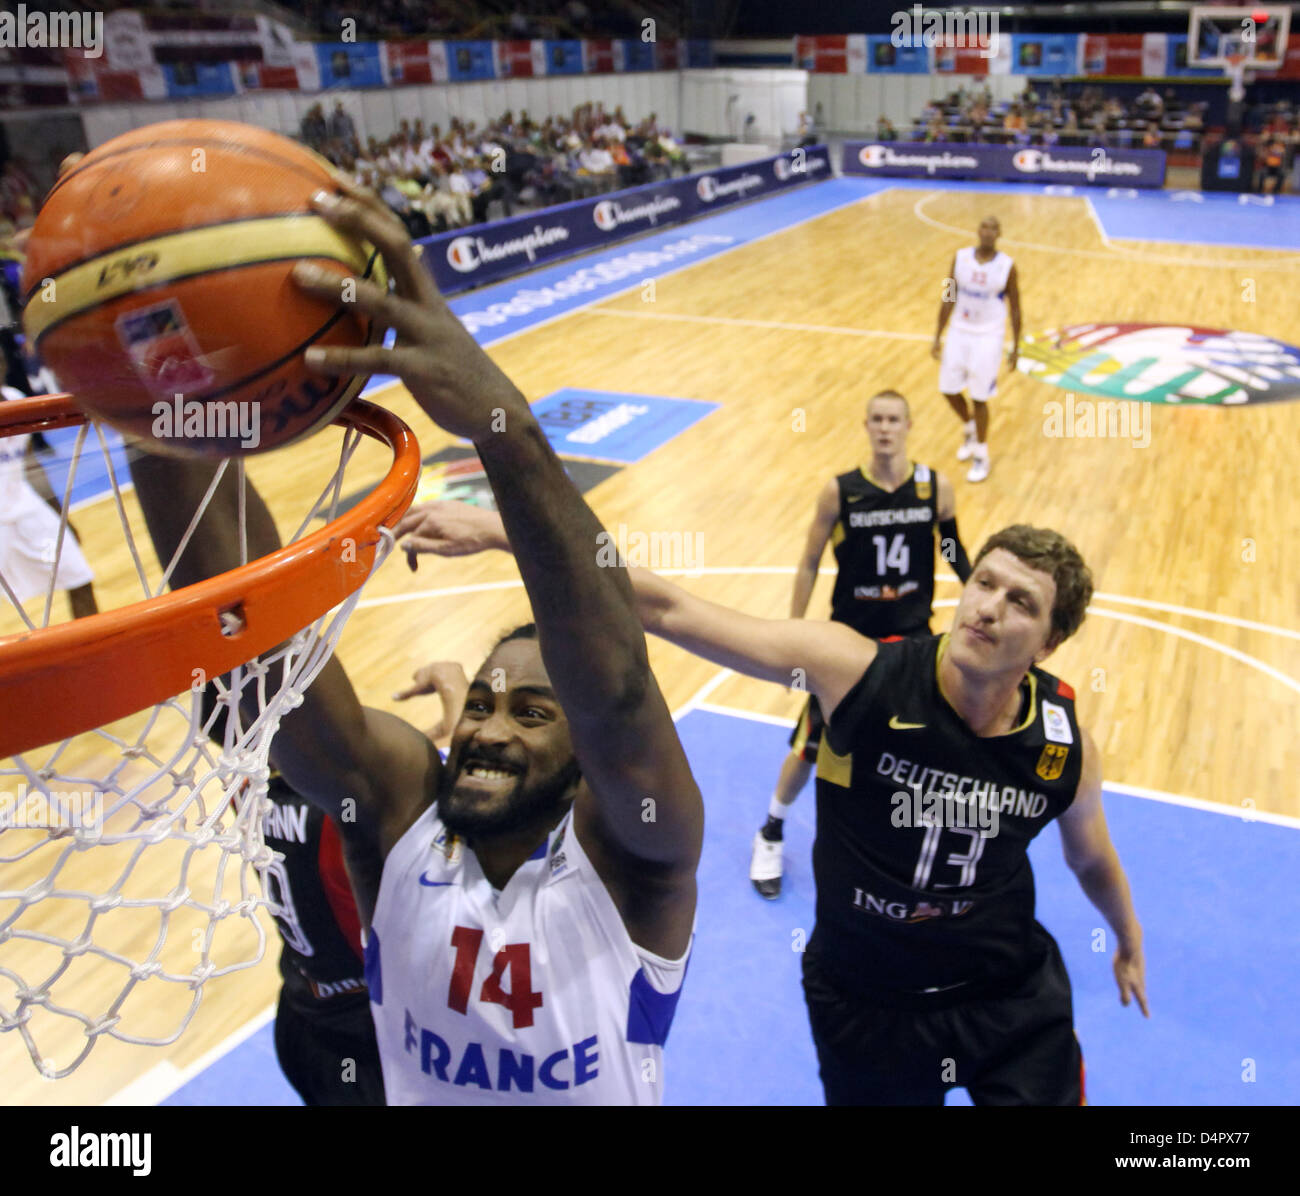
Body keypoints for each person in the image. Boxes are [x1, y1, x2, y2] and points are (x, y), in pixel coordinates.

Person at [126, 177, 704, 1106]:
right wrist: (162, 409)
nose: (486, 726)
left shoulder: (635, 865)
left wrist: (499, 425)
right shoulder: (398, 819)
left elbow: (622, 692)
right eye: (480, 701)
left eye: (531, 711)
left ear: (586, 757)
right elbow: (272, 660)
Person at [404, 509, 1149, 1106]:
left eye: (1020, 602)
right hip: (866, 1001)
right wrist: (505, 529)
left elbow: (1089, 855)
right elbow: (667, 605)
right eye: (984, 582)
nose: (987, 608)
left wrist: (1127, 936)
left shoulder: (1061, 743)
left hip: (1006, 997)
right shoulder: (856, 673)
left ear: (1048, 643)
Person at [202, 660, 468, 1107]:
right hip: (378, 1046)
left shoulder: (241, 778)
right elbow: (467, 812)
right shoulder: (347, 815)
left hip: (304, 1020)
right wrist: (455, 686)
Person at [750, 391, 972, 898]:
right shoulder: (841, 492)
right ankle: (771, 830)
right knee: (811, 746)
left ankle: (911, 844)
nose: (886, 428)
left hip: (914, 643)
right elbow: (809, 561)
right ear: (866, 426)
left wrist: (980, 588)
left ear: (909, 425)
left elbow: (954, 548)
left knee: (923, 747)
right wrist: (792, 634)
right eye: (877, 419)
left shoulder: (934, 488)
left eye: (894, 419)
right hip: (848, 645)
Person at [932, 216, 1021, 483]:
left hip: (989, 335)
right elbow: (948, 295)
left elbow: (1016, 307)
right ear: (977, 230)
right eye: (984, 226)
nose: (988, 231)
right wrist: (937, 334)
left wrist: (1016, 346)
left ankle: (981, 453)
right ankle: (970, 427)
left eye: (994, 227)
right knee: (948, 389)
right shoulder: (959, 258)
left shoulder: (1007, 267)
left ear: (999, 233)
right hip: (960, 330)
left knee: (979, 396)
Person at [0, 384, 97, 620]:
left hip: (25, 507)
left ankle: (91, 649)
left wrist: (61, 514)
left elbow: (29, 463)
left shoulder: (14, 397)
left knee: (79, 575)